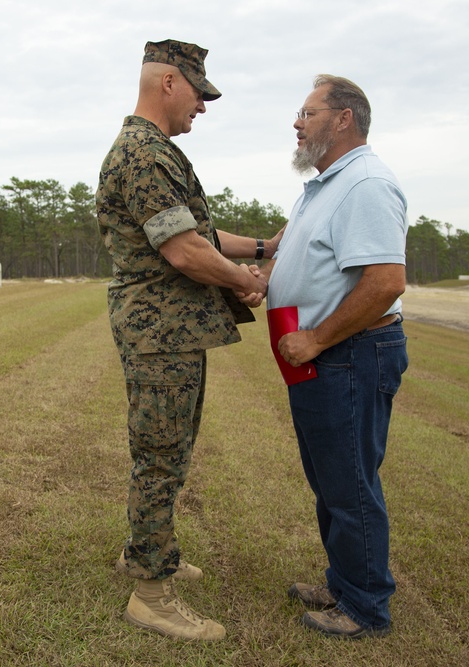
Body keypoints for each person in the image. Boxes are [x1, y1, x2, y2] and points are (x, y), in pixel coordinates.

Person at [97, 39, 277, 641]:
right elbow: (183, 250)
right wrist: (245, 281)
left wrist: (260, 249)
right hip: (160, 329)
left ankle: (144, 551)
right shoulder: (144, 156)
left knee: (164, 449)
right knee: (161, 455)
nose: (202, 106)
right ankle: (151, 593)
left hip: (167, 327)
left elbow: (194, 230)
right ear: (169, 82)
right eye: (199, 93)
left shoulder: (154, 153)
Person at [258, 75, 408, 638]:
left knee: (350, 484)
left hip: (349, 354)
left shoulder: (366, 184)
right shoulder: (322, 187)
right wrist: (266, 276)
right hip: (323, 356)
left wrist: (318, 339)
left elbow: (385, 281)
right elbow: (296, 249)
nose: (297, 123)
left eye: (307, 112)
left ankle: (365, 605)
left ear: (344, 119)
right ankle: (345, 580)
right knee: (330, 479)